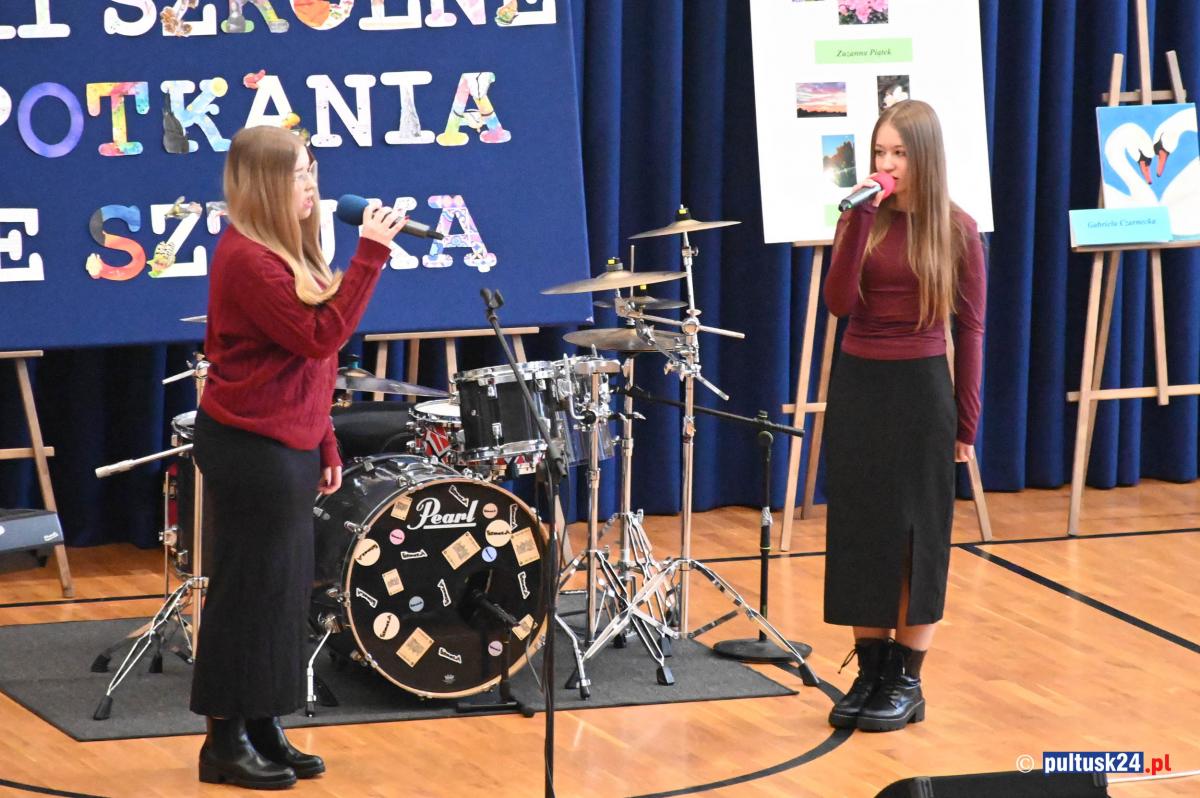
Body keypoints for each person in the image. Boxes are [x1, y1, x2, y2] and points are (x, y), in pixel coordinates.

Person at [190, 125, 407, 788]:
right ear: (263, 184)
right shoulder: (248, 258)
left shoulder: (287, 251)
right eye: (296, 175)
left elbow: (307, 369)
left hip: (287, 442)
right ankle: (223, 741)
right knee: (247, 593)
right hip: (249, 445)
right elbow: (320, 336)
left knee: (284, 593)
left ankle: (264, 723)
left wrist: (324, 436)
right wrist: (370, 256)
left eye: (312, 170)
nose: (310, 185)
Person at [821, 100, 986, 733]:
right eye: (879, 152)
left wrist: (966, 423)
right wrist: (859, 218)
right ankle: (869, 670)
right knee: (863, 528)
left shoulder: (958, 229)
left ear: (925, 159)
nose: (886, 164)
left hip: (921, 390)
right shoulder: (860, 219)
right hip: (859, 384)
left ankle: (906, 680)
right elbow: (839, 304)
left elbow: (970, 329)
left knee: (918, 534)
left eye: (899, 154)